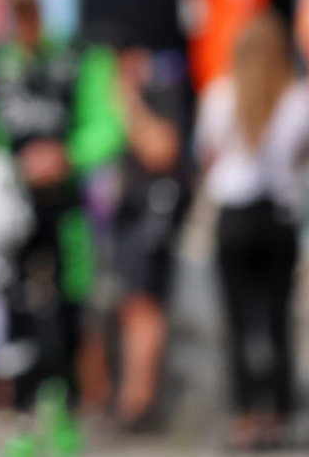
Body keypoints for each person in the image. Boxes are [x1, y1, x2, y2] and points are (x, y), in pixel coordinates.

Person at [0, 0, 124, 448]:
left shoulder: (82, 58)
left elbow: (108, 125)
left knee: (70, 306)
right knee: (15, 309)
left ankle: (62, 413)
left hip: (66, 209)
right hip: (10, 212)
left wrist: (68, 156)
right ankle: (24, 415)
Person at [193, 11, 309, 451]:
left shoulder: (219, 96)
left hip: (235, 216)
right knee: (278, 318)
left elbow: (207, 153)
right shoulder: (298, 98)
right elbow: (305, 153)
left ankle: (246, 412)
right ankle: (277, 412)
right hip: (278, 218)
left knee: (238, 319)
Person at [107, 42, 191, 431]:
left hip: (152, 217)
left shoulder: (160, 93)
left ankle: (140, 404)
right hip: (130, 219)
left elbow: (161, 149)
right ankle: (130, 400)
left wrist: (128, 100)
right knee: (132, 306)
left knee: (145, 308)